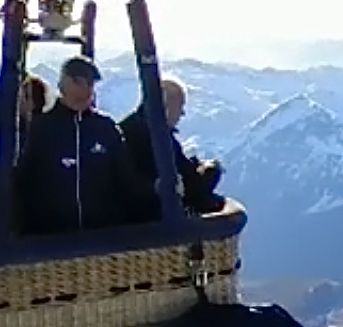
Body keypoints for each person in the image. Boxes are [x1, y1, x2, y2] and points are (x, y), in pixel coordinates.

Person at [17, 55, 144, 234]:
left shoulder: (106, 129)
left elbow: (127, 180)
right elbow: (23, 182)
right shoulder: (40, 130)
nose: (86, 90)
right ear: (64, 83)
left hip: (101, 240)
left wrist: (157, 189)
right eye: (80, 82)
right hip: (49, 243)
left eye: (91, 84)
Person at [123, 76, 225, 216]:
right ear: (165, 106)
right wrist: (211, 171)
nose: (182, 114)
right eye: (180, 107)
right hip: (152, 221)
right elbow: (192, 188)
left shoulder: (126, 129)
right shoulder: (159, 139)